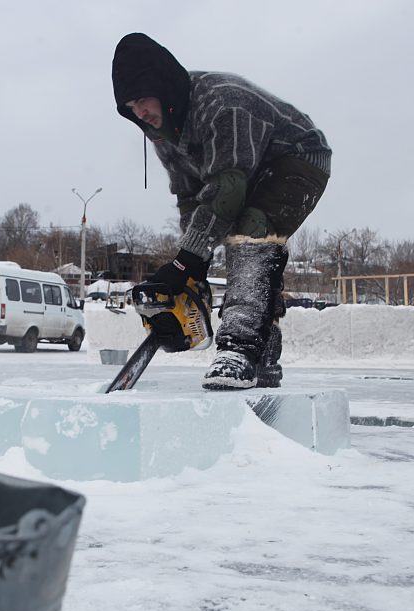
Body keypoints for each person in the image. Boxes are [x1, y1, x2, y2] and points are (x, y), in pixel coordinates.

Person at [112, 33, 332, 390]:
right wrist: (188, 269)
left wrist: (187, 261)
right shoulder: (163, 133)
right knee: (238, 235)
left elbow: (227, 188)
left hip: (297, 156)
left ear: (162, 86)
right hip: (241, 172)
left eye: (142, 101)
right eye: (131, 109)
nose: (140, 114)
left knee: (251, 230)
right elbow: (190, 198)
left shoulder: (222, 103)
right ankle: (265, 356)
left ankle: (240, 348)